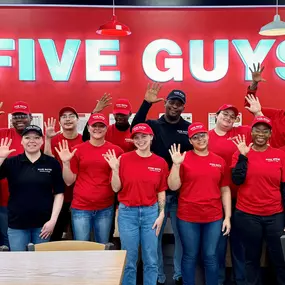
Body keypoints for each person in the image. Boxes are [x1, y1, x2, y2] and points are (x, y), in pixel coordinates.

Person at [131, 82, 193, 285]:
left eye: (179, 104)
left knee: (180, 236)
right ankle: (158, 275)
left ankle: (178, 274)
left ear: (184, 107)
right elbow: (135, 127)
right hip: (156, 192)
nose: (175, 107)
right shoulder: (154, 126)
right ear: (165, 103)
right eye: (172, 103)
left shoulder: (188, 129)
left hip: (180, 191)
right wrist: (146, 103)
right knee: (154, 237)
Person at [168, 122, 231, 285]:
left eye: (202, 135)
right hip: (188, 217)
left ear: (208, 136)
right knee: (190, 255)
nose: (200, 139)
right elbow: (173, 186)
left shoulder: (219, 161)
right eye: (195, 137)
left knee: (210, 255)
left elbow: (225, 190)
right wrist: (176, 165)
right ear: (190, 140)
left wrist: (228, 217)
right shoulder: (183, 158)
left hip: (214, 217)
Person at [104, 123, 167, 285]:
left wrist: (161, 214)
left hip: (151, 213)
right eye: (136, 137)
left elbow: (161, 191)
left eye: (144, 136)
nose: (140, 140)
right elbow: (115, 188)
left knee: (151, 259)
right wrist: (115, 169)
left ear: (151, 137)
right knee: (129, 259)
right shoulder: (123, 159)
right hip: (127, 213)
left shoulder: (160, 163)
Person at [231, 116, 285, 285]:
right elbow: (237, 180)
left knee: (280, 257)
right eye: (257, 130)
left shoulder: (280, 155)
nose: (260, 134)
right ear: (251, 133)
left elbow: (284, 188)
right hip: (248, 215)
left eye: (265, 131)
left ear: (270, 134)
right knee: (251, 258)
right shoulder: (240, 153)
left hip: (275, 215)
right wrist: (243, 157)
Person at [55, 113, 123, 243]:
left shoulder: (116, 151)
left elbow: (116, 187)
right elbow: (69, 181)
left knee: (103, 246)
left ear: (106, 128)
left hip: (105, 207)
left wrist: (115, 169)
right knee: (82, 249)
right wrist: (66, 163)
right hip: (81, 208)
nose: (97, 129)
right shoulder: (77, 150)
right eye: (94, 125)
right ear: (88, 127)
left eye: (101, 126)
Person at [0, 125, 64, 251]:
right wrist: (1, 158)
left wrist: (53, 220)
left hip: (44, 225)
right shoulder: (11, 162)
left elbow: (59, 193)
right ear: (22, 141)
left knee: (41, 265)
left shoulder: (52, 163)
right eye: (27, 137)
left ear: (42, 140)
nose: (32, 141)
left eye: (36, 137)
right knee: (19, 264)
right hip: (17, 224)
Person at [208, 104, 251, 285]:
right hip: (215, 199)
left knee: (239, 244)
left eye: (232, 116)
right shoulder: (206, 137)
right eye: (225, 114)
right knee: (218, 245)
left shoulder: (241, 132)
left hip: (239, 198)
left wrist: (256, 109)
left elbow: (262, 126)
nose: (228, 118)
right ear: (216, 116)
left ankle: (240, 280)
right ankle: (218, 280)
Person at [44, 106, 83, 241]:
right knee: (54, 237)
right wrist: (47, 140)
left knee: (79, 238)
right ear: (59, 121)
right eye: (64, 116)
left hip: (79, 198)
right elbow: (47, 162)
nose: (68, 119)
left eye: (71, 116)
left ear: (78, 120)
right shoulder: (53, 140)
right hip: (57, 197)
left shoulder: (84, 140)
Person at [0, 101, 32, 247]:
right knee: (8, 242)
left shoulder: (36, 137)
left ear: (30, 117)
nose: (19, 119)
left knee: (29, 242)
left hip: (30, 200)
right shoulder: (3, 133)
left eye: (23, 115)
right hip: (4, 200)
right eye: (15, 116)